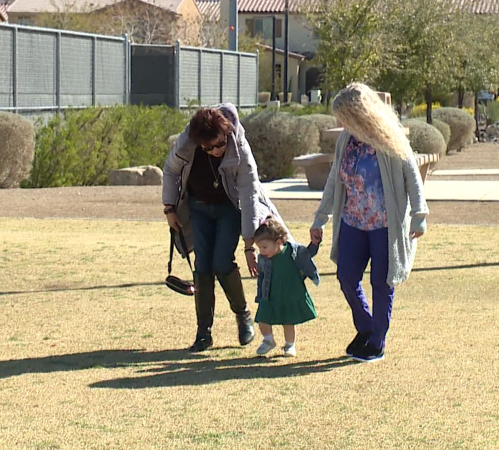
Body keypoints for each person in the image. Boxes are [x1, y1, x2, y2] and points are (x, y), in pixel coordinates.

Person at [309, 82, 428, 363]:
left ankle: (377, 342)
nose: (341, 123)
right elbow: (334, 180)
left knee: (381, 282)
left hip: (385, 224)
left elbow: (412, 177)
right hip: (352, 220)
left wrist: (419, 216)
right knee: (346, 276)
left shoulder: (390, 137)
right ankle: (366, 328)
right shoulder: (346, 140)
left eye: (344, 116)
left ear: (360, 114)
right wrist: (320, 218)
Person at [163, 103, 285, 352]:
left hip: (230, 208)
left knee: (221, 262)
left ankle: (243, 315)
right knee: (202, 266)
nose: (215, 150)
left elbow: (249, 194)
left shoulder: (239, 147)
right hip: (198, 207)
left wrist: (249, 243)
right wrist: (169, 208)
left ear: (226, 133)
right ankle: (203, 333)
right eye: (207, 148)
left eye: (219, 144)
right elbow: (171, 171)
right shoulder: (187, 143)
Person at [253, 217, 320, 357]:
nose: (262, 251)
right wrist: (260, 295)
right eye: (259, 248)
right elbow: (262, 278)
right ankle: (268, 340)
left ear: (278, 242)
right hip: (270, 295)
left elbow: (307, 254)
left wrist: (314, 244)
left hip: (289, 294)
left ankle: (290, 345)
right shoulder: (264, 258)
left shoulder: (292, 251)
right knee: (262, 319)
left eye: (264, 247)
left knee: (288, 321)